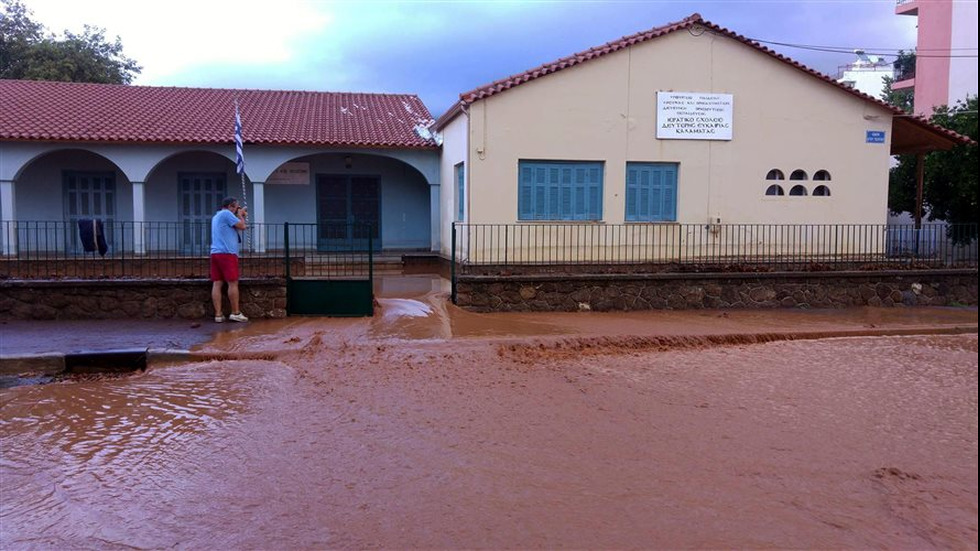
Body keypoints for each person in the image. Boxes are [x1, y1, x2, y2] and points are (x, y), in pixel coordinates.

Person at [210, 196, 249, 322]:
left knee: (217, 283)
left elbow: (235, 227)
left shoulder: (217, 216)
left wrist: (238, 214)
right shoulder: (227, 213)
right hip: (227, 254)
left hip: (216, 253)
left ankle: (218, 315)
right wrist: (241, 215)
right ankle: (235, 312)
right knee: (233, 283)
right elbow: (242, 226)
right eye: (236, 207)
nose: (237, 209)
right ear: (231, 206)